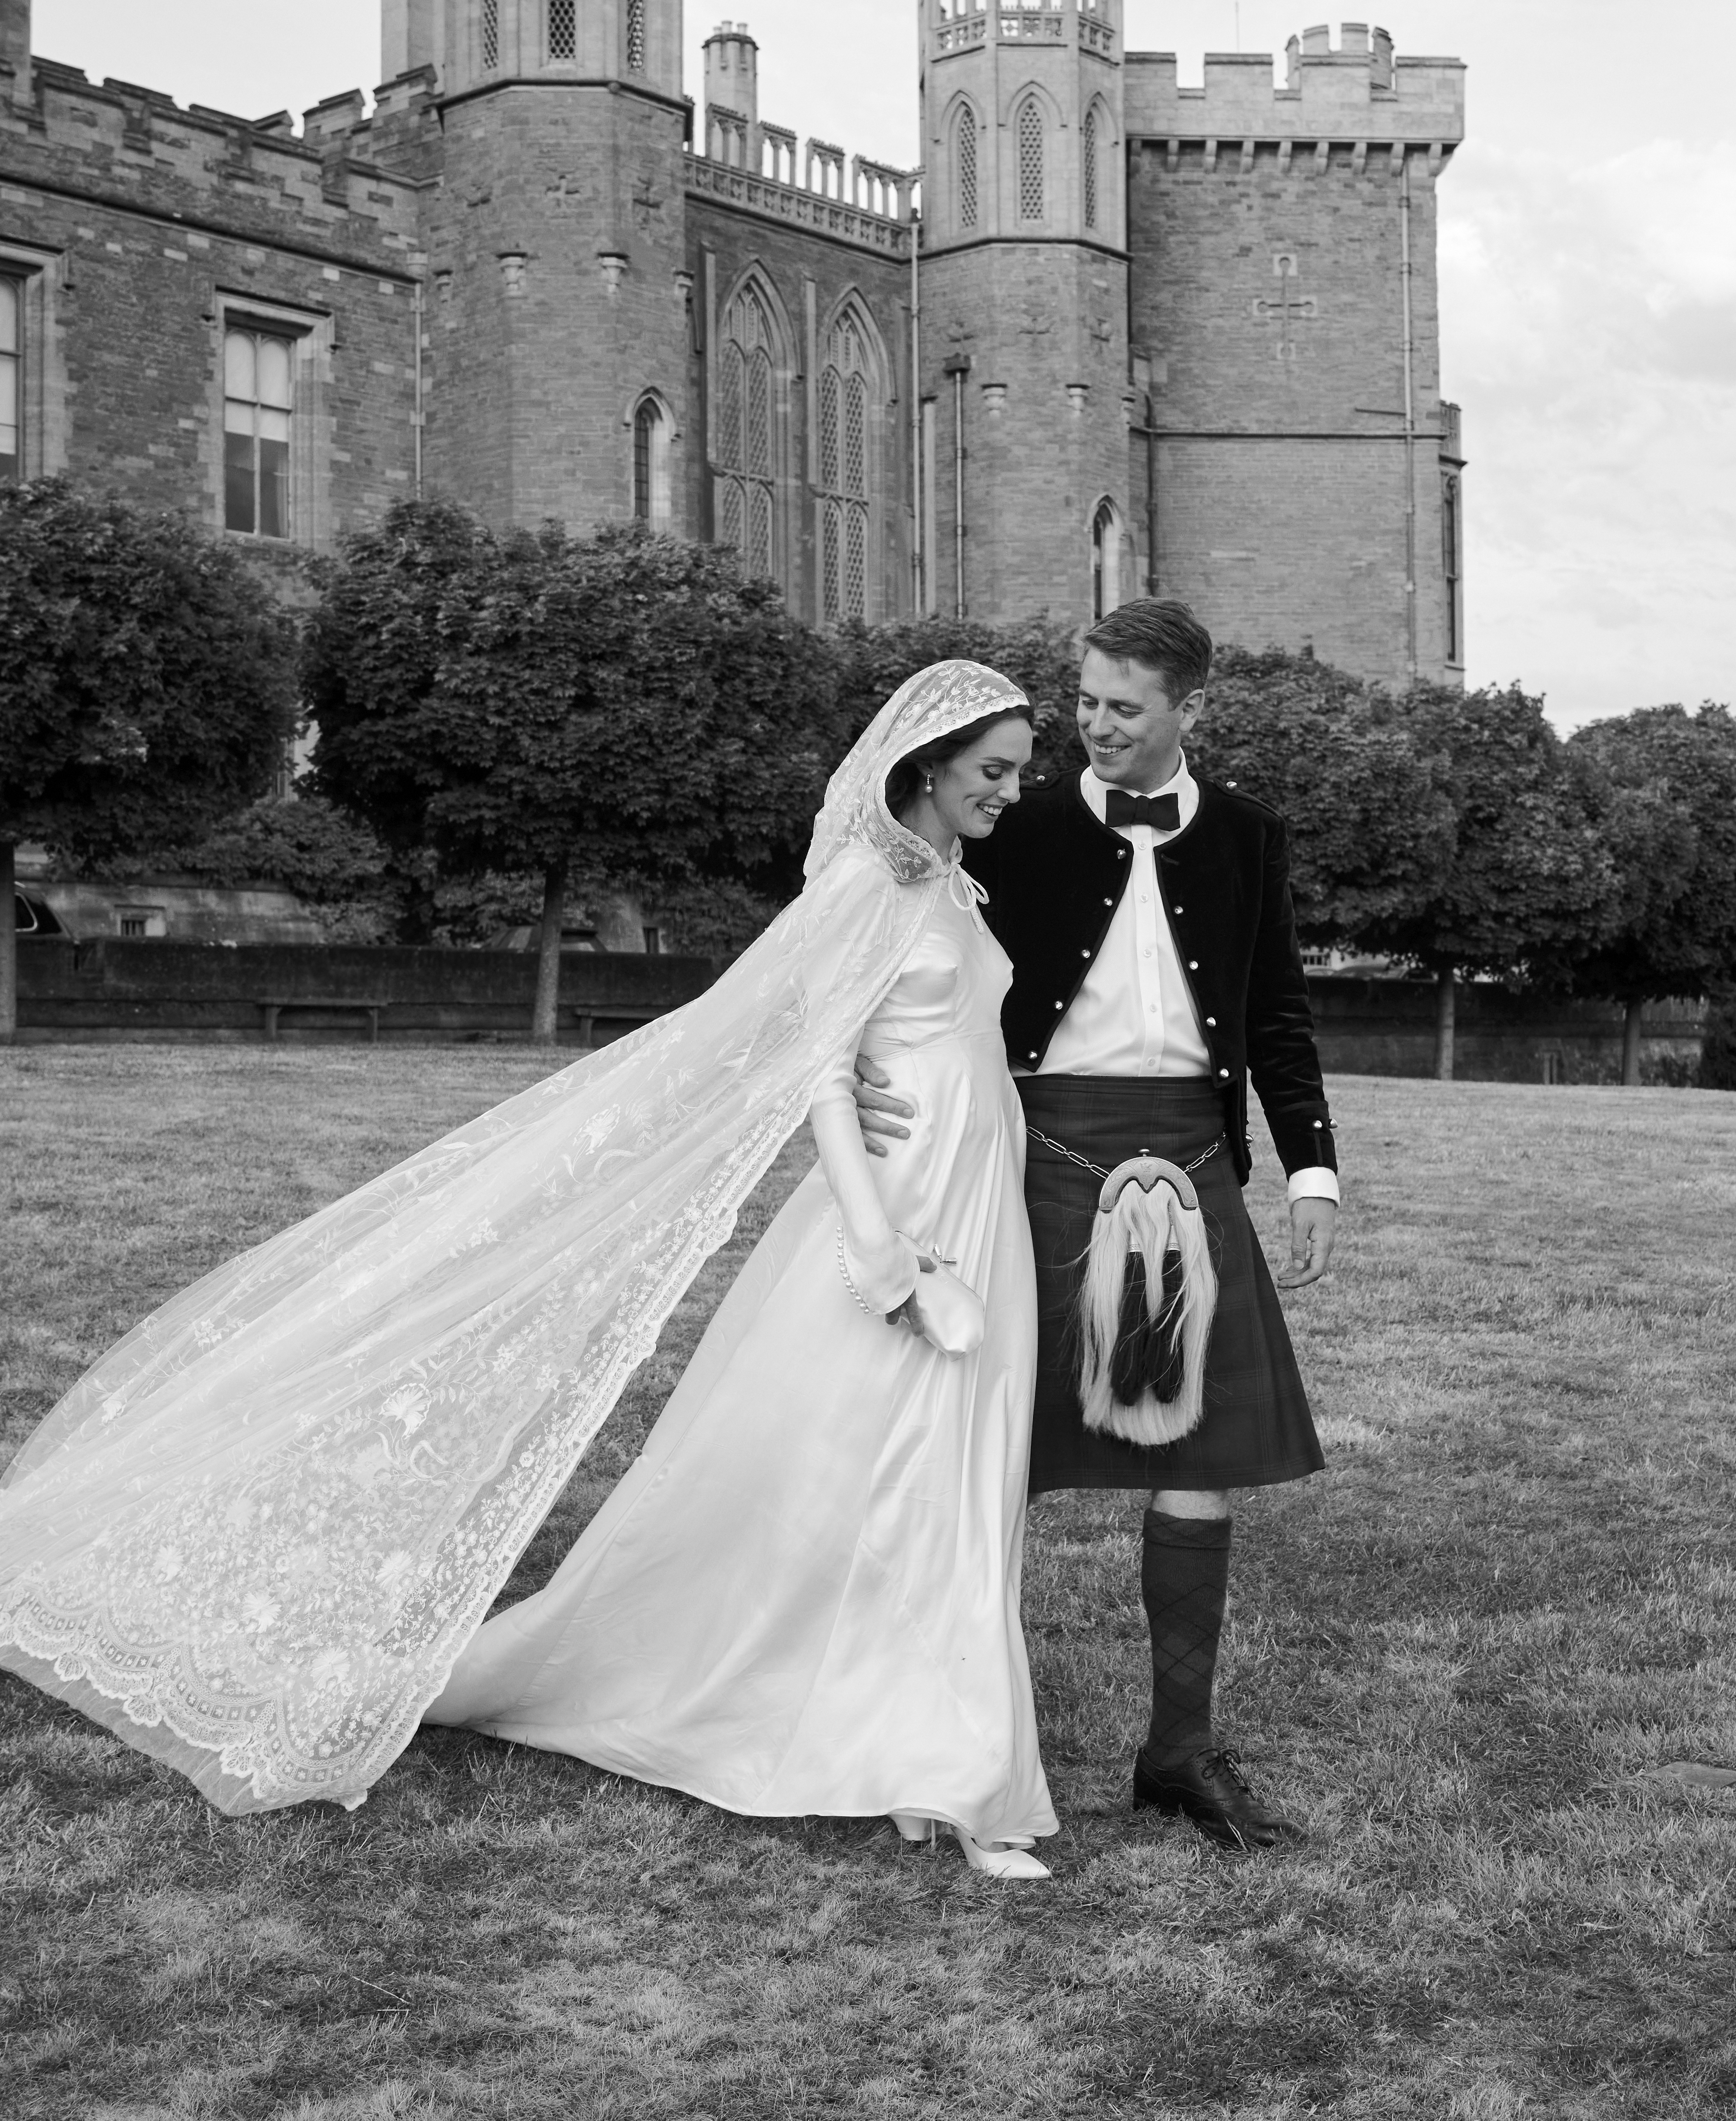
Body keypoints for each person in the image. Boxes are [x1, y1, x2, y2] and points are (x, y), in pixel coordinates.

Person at [0, 662, 1056, 1876]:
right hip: (901, 1209)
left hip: (982, 1200)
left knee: (950, 1471)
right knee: (861, 1468)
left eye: (1019, 772)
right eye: (995, 771)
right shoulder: (865, 885)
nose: (1012, 794)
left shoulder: (954, 889)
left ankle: (923, 1744)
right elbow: (819, 1065)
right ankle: (950, 1764)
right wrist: (878, 1244)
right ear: (925, 767)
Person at [856, 599, 1338, 1851]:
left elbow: (1278, 1011)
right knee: (988, 1454)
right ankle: (944, 1736)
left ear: (1189, 709)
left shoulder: (1247, 836)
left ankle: (1178, 1755)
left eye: (1125, 707)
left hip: (1194, 1156)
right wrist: (858, 1060)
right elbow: (895, 929)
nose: (1098, 727)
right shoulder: (1011, 823)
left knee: (1202, 1459)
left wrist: (1312, 1174)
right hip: (1034, 1158)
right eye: (1087, 703)